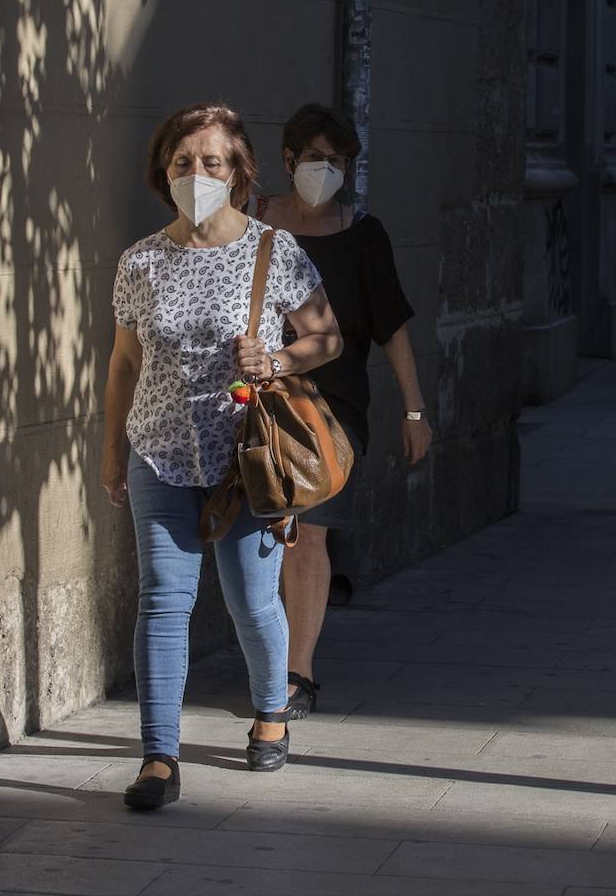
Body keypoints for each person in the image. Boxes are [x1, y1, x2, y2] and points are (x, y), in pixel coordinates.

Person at [101, 102, 342, 810]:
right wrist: (112, 450)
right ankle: (158, 757)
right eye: (183, 163)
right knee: (162, 603)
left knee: (249, 600)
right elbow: (122, 362)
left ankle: (271, 709)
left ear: (239, 175)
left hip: (247, 458)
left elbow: (325, 339)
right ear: (163, 172)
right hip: (159, 453)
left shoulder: (273, 249)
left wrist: (273, 357)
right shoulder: (141, 259)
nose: (196, 174)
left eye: (212, 163)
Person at [254, 104, 432, 719]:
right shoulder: (252, 225)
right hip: (253, 408)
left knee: (307, 538)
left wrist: (414, 410)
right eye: (315, 159)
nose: (326, 170)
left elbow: (392, 328)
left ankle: (295, 674)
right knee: (259, 540)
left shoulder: (364, 235)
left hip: (332, 415)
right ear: (288, 160)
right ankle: (266, 662)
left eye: (338, 161)